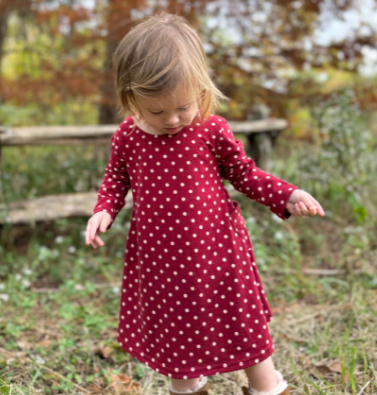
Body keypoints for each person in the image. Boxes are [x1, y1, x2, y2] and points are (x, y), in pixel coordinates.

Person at [85, 11, 325, 395]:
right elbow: (116, 179)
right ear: (131, 97)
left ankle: (266, 387)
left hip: (217, 252)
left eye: (183, 106)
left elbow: (245, 175)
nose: (173, 119)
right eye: (157, 111)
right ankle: (189, 388)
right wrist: (103, 210)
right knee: (176, 331)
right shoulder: (128, 137)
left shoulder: (211, 130)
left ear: (201, 89)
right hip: (161, 260)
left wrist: (286, 194)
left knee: (240, 322)